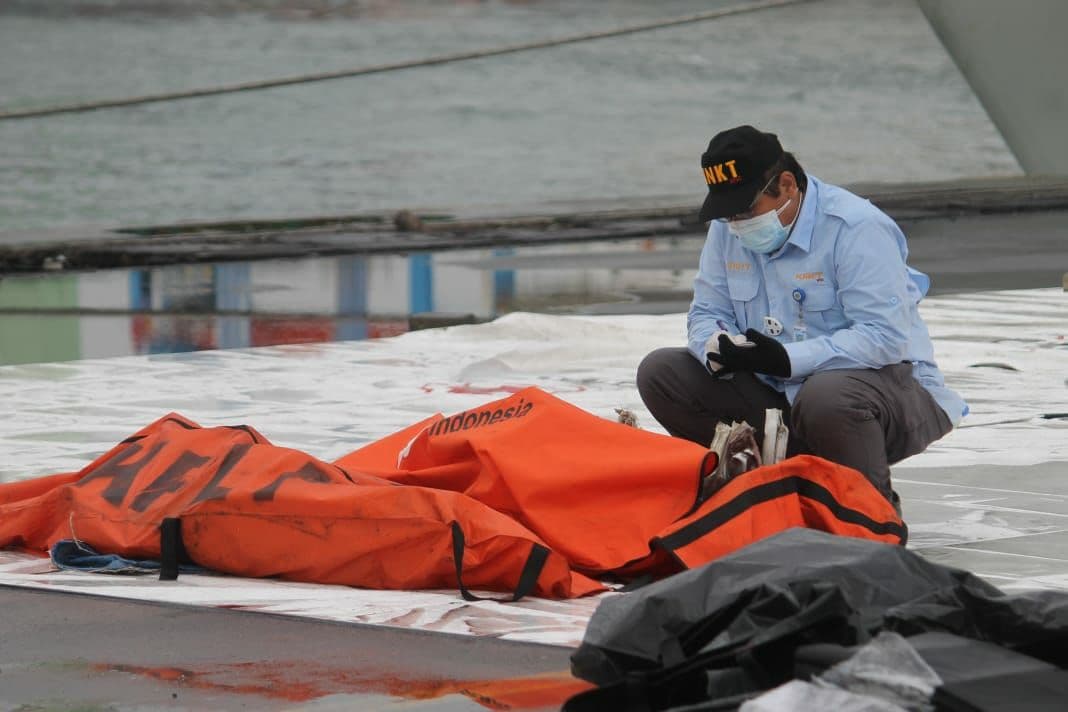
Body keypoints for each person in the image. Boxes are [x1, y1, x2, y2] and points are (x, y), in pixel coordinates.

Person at [637, 125, 966, 511]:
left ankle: (870, 513)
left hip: (887, 394)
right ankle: (757, 491)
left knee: (826, 397)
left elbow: (884, 338)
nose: (737, 225)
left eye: (746, 209)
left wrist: (788, 359)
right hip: (781, 400)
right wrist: (717, 345)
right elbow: (708, 311)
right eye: (728, 214)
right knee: (661, 372)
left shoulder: (856, 228)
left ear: (788, 184)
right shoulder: (729, 228)